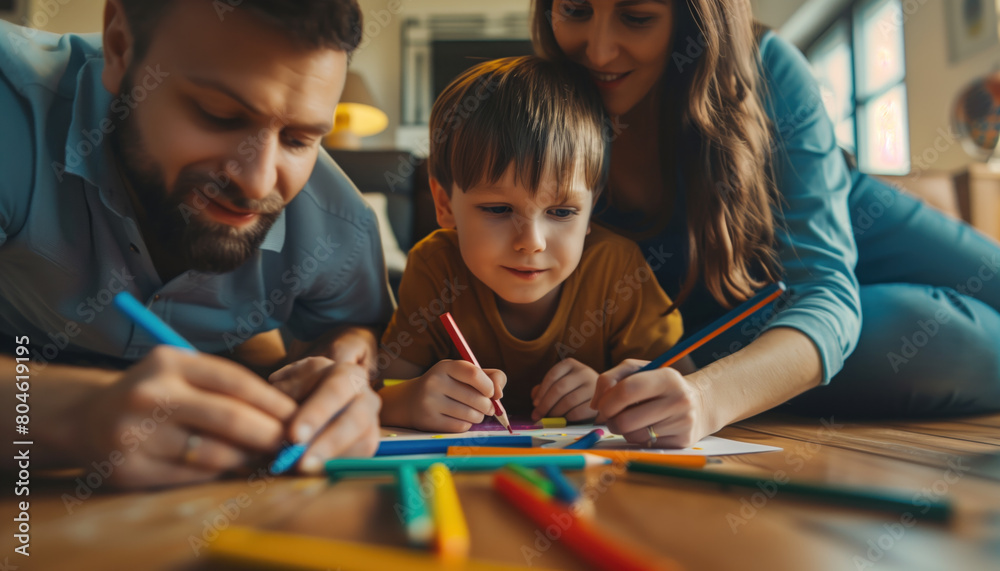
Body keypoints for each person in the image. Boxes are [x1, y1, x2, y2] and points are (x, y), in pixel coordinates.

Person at [531, 0, 1000, 448]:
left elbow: (823, 288)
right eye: (575, 11)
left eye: (636, 17)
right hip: (735, 320)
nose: (599, 51)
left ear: (694, 19)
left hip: (856, 222)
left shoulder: (767, 69)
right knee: (928, 333)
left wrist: (707, 395)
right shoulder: (536, 112)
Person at [0, 0, 395, 487]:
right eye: (220, 115)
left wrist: (345, 366)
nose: (256, 183)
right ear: (121, 47)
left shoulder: (339, 226)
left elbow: (356, 331)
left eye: (298, 139)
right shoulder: (10, 112)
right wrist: (79, 413)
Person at [377, 56, 686, 432]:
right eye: (498, 208)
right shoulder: (434, 266)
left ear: (592, 210)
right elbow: (381, 385)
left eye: (561, 212)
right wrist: (404, 401)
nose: (531, 242)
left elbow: (677, 384)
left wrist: (608, 395)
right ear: (444, 205)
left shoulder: (617, 269)